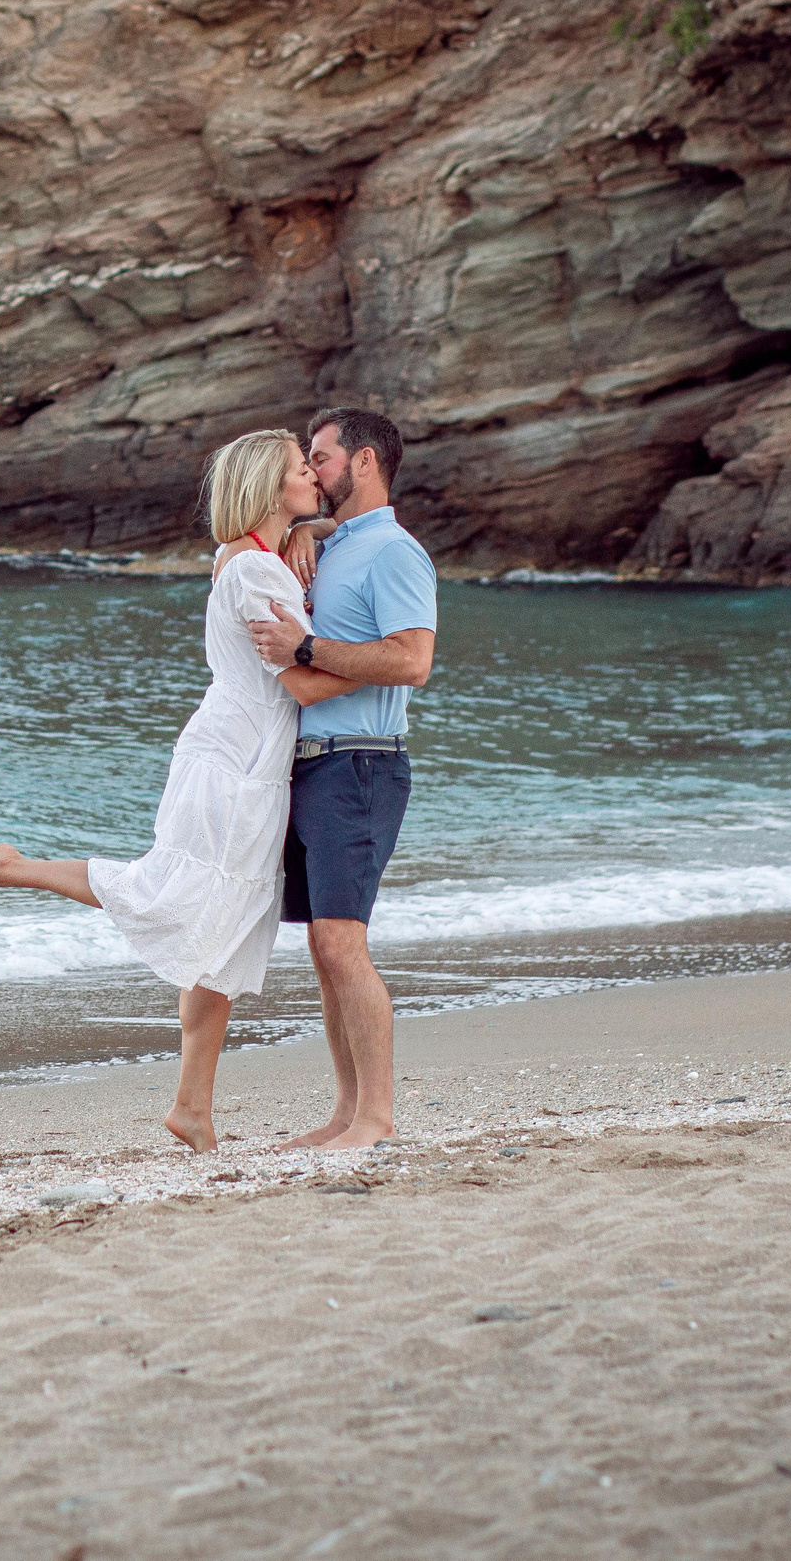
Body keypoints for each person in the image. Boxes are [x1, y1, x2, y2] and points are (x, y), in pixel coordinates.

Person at [0, 429, 361, 1153]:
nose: (314, 478)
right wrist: (393, 664)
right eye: (299, 470)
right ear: (266, 486)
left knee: (216, 938)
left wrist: (310, 531)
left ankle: (192, 1108)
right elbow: (302, 677)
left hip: (247, 760)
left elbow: (290, 583)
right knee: (175, 897)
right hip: (233, 767)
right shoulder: (257, 573)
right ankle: (15, 867)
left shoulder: (253, 557)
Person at [246, 406, 436, 1151]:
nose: (312, 472)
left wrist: (307, 646)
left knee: (342, 942)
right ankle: (346, 1112)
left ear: (362, 462)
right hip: (313, 766)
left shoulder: (395, 552)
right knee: (324, 947)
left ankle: (378, 1119)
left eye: (321, 458)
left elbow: (412, 660)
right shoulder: (334, 544)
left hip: (362, 762)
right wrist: (305, 530)